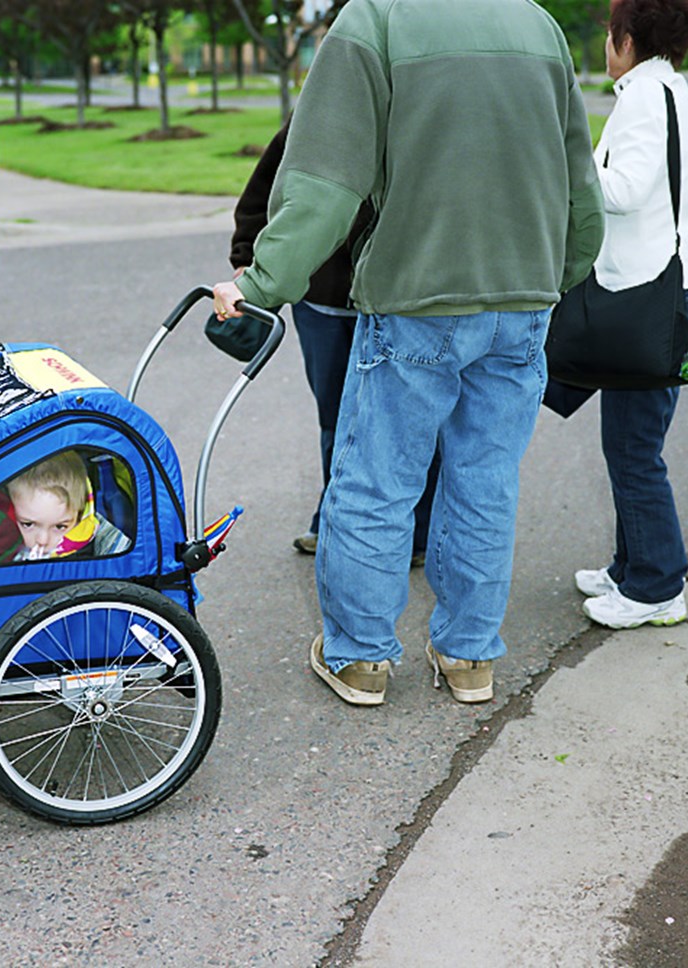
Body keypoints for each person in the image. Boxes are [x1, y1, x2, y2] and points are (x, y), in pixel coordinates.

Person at [212, 0, 604, 707]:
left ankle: (360, 658)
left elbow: (324, 187)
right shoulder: (537, 24)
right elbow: (581, 187)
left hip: (419, 298)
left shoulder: (375, 21)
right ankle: (470, 658)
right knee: (485, 481)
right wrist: (558, 275)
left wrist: (263, 285)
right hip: (523, 299)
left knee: (375, 480)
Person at [229, 118, 439, 568]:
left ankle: (417, 531)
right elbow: (265, 189)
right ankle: (335, 521)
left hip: (399, 299)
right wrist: (247, 259)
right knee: (337, 416)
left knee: (409, 417)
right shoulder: (318, 113)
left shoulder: (415, 103)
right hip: (323, 298)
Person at [575, 0, 688, 631]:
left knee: (633, 447)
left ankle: (656, 585)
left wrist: (569, 166)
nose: (607, 46)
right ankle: (632, 567)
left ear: (626, 37)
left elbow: (624, 190)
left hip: (653, 294)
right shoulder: (670, 91)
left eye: (609, 34)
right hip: (673, 287)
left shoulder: (640, 97)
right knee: (631, 440)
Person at [7, 451, 131, 561]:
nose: (43, 540)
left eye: (60, 526)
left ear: (80, 515)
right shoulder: (3, 544)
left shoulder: (97, 552)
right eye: (28, 524)